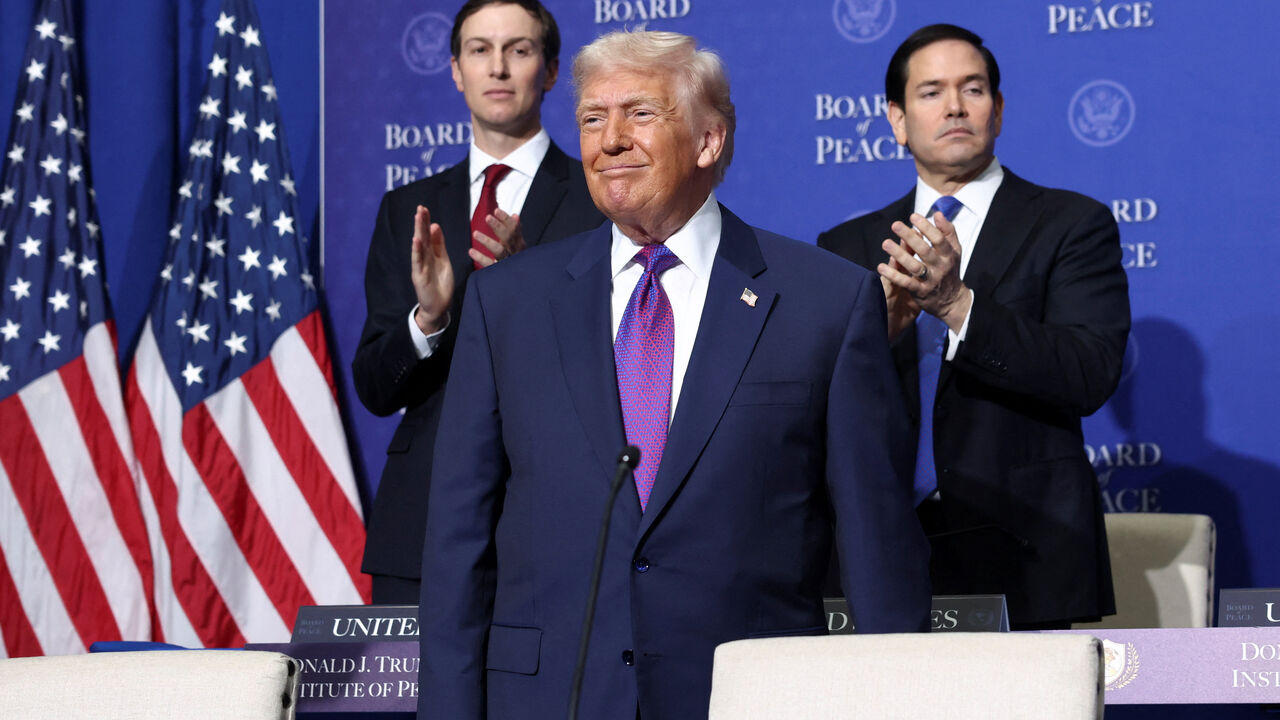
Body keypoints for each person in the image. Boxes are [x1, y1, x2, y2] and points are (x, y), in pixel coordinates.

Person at [418, 29, 930, 720]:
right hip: (549, 697)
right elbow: (458, 537)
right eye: (592, 120)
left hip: (754, 697)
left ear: (709, 142)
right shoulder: (508, 302)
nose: (609, 140)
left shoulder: (825, 302)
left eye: (639, 114)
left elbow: (876, 542)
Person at [817, 23, 1130, 629]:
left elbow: (1089, 372)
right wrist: (872, 339)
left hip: (1021, 546)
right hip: (878, 551)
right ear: (898, 120)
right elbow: (815, 402)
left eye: (974, 88)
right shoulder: (848, 245)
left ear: (999, 109)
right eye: (931, 92)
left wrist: (957, 303)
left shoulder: (1070, 223)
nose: (955, 106)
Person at [352, 0, 604, 603]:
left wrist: (526, 283)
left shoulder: (599, 202)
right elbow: (376, 386)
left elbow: (617, 360)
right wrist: (429, 320)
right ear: (456, 71)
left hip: (555, 513)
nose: (498, 68)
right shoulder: (407, 208)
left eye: (518, 50)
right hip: (424, 519)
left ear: (548, 71)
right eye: (479, 50)